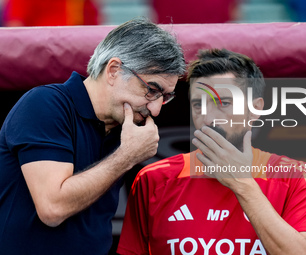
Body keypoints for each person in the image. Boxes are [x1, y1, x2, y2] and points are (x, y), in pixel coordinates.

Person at [117, 49, 306, 254]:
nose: (208, 118)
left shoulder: (294, 176)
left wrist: (243, 184)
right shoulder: (153, 180)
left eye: (223, 103)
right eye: (199, 105)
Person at [0, 18, 185, 254]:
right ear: (114, 70)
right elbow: (53, 208)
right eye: (151, 90)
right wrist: (127, 156)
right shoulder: (45, 104)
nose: (156, 109)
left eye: (165, 97)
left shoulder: (123, 127)